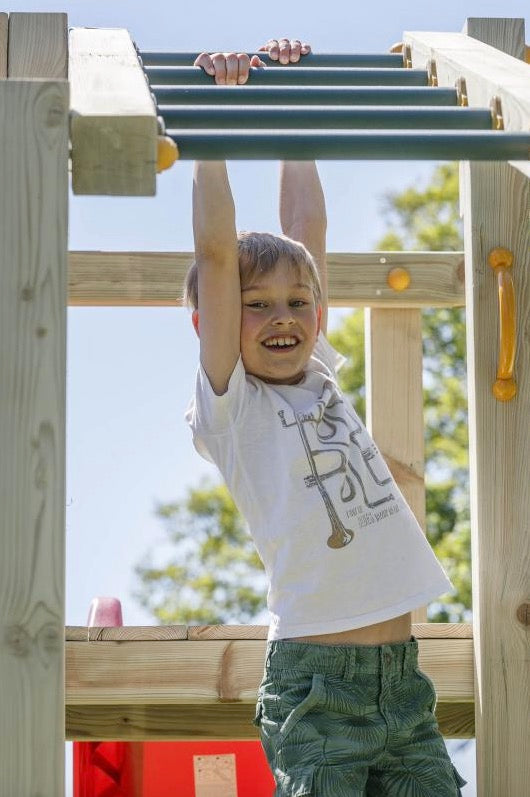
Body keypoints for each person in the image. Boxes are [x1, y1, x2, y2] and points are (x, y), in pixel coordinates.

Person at [185, 37, 467, 796]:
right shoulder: (233, 406)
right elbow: (215, 256)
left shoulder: (320, 375)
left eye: (296, 302)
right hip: (315, 687)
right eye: (255, 306)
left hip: (403, 685)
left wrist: (290, 97)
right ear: (213, 324)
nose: (283, 317)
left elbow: (307, 229)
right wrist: (209, 123)